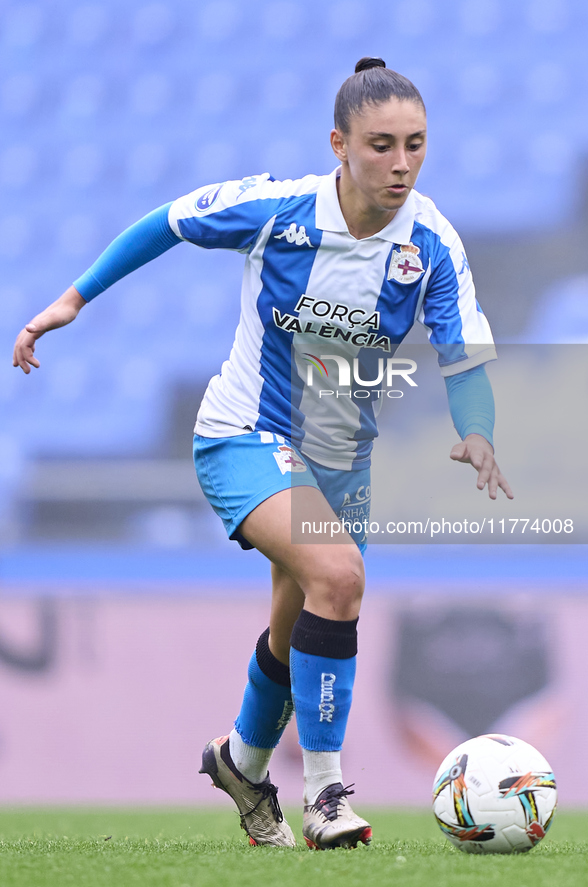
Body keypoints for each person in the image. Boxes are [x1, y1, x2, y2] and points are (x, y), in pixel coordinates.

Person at [13, 57, 513, 850]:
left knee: (298, 626)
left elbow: (462, 355)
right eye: (380, 144)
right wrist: (72, 299)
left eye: (415, 144)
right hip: (245, 434)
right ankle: (324, 794)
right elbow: (167, 221)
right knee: (339, 576)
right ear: (338, 145)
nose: (401, 162)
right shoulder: (277, 208)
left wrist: (476, 429)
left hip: (341, 457)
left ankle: (241, 761)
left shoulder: (432, 244)